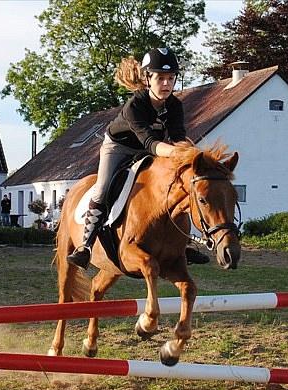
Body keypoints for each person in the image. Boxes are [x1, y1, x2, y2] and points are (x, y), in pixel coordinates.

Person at [67, 47, 210, 269]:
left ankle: (182, 243)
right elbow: (150, 142)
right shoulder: (135, 104)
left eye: (170, 78)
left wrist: (191, 156)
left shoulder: (175, 106)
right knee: (103, 187)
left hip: (151, 151)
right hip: (119, 148)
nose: (166, 84)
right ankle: (85, 246)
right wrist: (175, 152)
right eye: (160, 78)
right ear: (147, 79)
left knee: (177, 187)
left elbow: (179, 138)